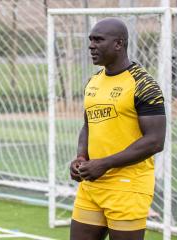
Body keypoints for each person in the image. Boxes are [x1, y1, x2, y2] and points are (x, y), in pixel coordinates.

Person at [69, 18, 166, 240]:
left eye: (98, 40)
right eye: (91, 40)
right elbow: (88, 125)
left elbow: (155, 141)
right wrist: (81, 157)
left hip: (128, 187)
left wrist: (104, 163)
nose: (91, 45)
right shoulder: (93, 81)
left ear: (119, 44)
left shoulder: (144, 84)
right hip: (92, 184)